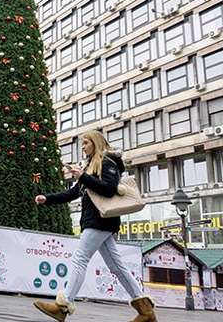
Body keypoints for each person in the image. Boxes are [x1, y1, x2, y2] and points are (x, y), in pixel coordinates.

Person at [33, 130, 158, 322]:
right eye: (82, 144)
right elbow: (74, 193)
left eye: (85, 143)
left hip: (101, 220)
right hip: (97, 221)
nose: (82, 147)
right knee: (117, 266)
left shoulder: (108, 163)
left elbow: (109, 189)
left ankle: (62, 306)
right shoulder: (91, 165)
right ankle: (146, 312)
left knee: (80, 258)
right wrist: (46, 199)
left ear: (96, 143)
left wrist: (83, 177)